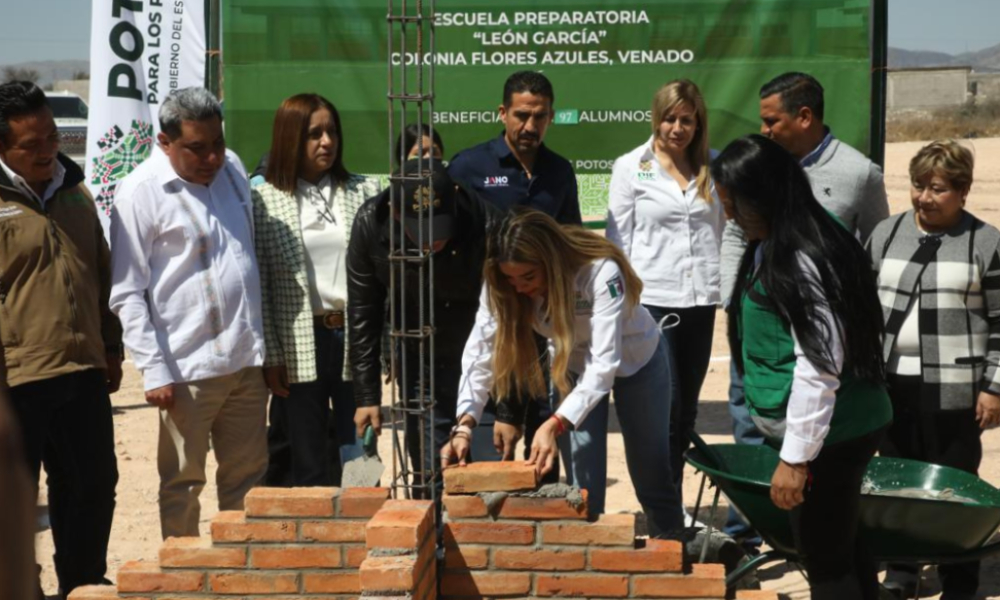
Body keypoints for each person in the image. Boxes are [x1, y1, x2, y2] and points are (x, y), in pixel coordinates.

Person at [715, 134, 891, 600]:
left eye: (734, 203)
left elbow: (820, 363)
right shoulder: (789, 234)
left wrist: (796, 459)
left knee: (826, 561)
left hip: (830, 434)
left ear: (763, 195)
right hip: (838, 427)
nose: (729, 214)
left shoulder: (800, 255)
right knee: (843, 548)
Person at [442, 208, 684, 536]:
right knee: (583, 481)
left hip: (636, 361)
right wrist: (465, 425)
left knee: (651, 472)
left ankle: (671, 549)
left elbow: (603, 365)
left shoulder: (599, 272)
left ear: (551, 261)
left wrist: (554, 423)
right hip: (571, 367)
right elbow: (480, 352)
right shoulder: (501, 284)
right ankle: (591, 558)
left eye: (528, 277)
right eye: (511, 279)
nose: (519, 288)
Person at [110, 87, 268, 539]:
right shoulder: (141, 191)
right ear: (164, 142)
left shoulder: (234, 168)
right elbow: (126, 291)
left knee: (247, 480)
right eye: (197, 148)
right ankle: (183, 580)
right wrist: (155, 371)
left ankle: (241, 575)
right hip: (185, 370)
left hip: (245, 362)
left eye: (217, 143)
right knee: (183, 483)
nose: (213, 157)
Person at [0, 80, 121, 597]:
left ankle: (83, 582)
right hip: (16, 380)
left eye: (51, 135)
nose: (48, 149)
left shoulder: (75, 192)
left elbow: (101, 274)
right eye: (32, 144)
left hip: (82, 371)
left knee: (93, 487)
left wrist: (110, 347)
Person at [866, 140, 1000, 600]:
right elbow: (863, 308)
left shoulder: (986, 242)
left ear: (962, 191)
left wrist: (994, 388)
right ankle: (902, 572)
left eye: (937, 188)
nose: (924, 197)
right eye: (918, 185)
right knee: (898, 480)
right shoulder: (886, 232)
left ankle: (958, 580)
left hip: (957, 389)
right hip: (890, 386)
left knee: (954, 488)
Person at [448, 71, 582, 478]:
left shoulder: (559, 171)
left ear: (551, 117)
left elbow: (572, 242)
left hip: (545, 321)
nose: (530, 126)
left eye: (540, 117)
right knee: (495, 451)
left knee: (546, 445)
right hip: (494, 315)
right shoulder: (469, 167)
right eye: (522, 115)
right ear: (502, 113)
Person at [349, 158, 501, 496]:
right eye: (422, 231)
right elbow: (363, 313)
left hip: (483, 363)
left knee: (490, 481)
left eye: (441, 230)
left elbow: (510, 320)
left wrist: (508, 410)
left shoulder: (486, 222)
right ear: (397, 212)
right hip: (420, 364)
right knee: (430, 474)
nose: (434, 242)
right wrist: (367, 396)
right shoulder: (370, 225)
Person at [606, 79, 723, 505]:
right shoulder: (631, 166)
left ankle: (672, 505)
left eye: (687, 119)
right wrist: (619, 305)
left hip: (702, 302)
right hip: (653, 303)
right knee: (666, 410)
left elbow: (727, 232)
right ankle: (665, 511)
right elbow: (617, 242)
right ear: (657, 118)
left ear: (698, 122)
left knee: (687, 409)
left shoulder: (714, 165)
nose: (678, 128)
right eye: (670, 118)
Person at [252, 93, 375, 487]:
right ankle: (317, 541)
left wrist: (381, 344)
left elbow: (378, 280)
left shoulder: (365, 192)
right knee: (307, 459)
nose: (327, 141)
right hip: (299, 343)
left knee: (361, 450)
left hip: (355, 340)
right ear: (290, 138)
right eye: (314, 134)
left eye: (332, 131)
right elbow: (265, 286)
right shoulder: (265, 200)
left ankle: (365, 530)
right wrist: (271, 355)